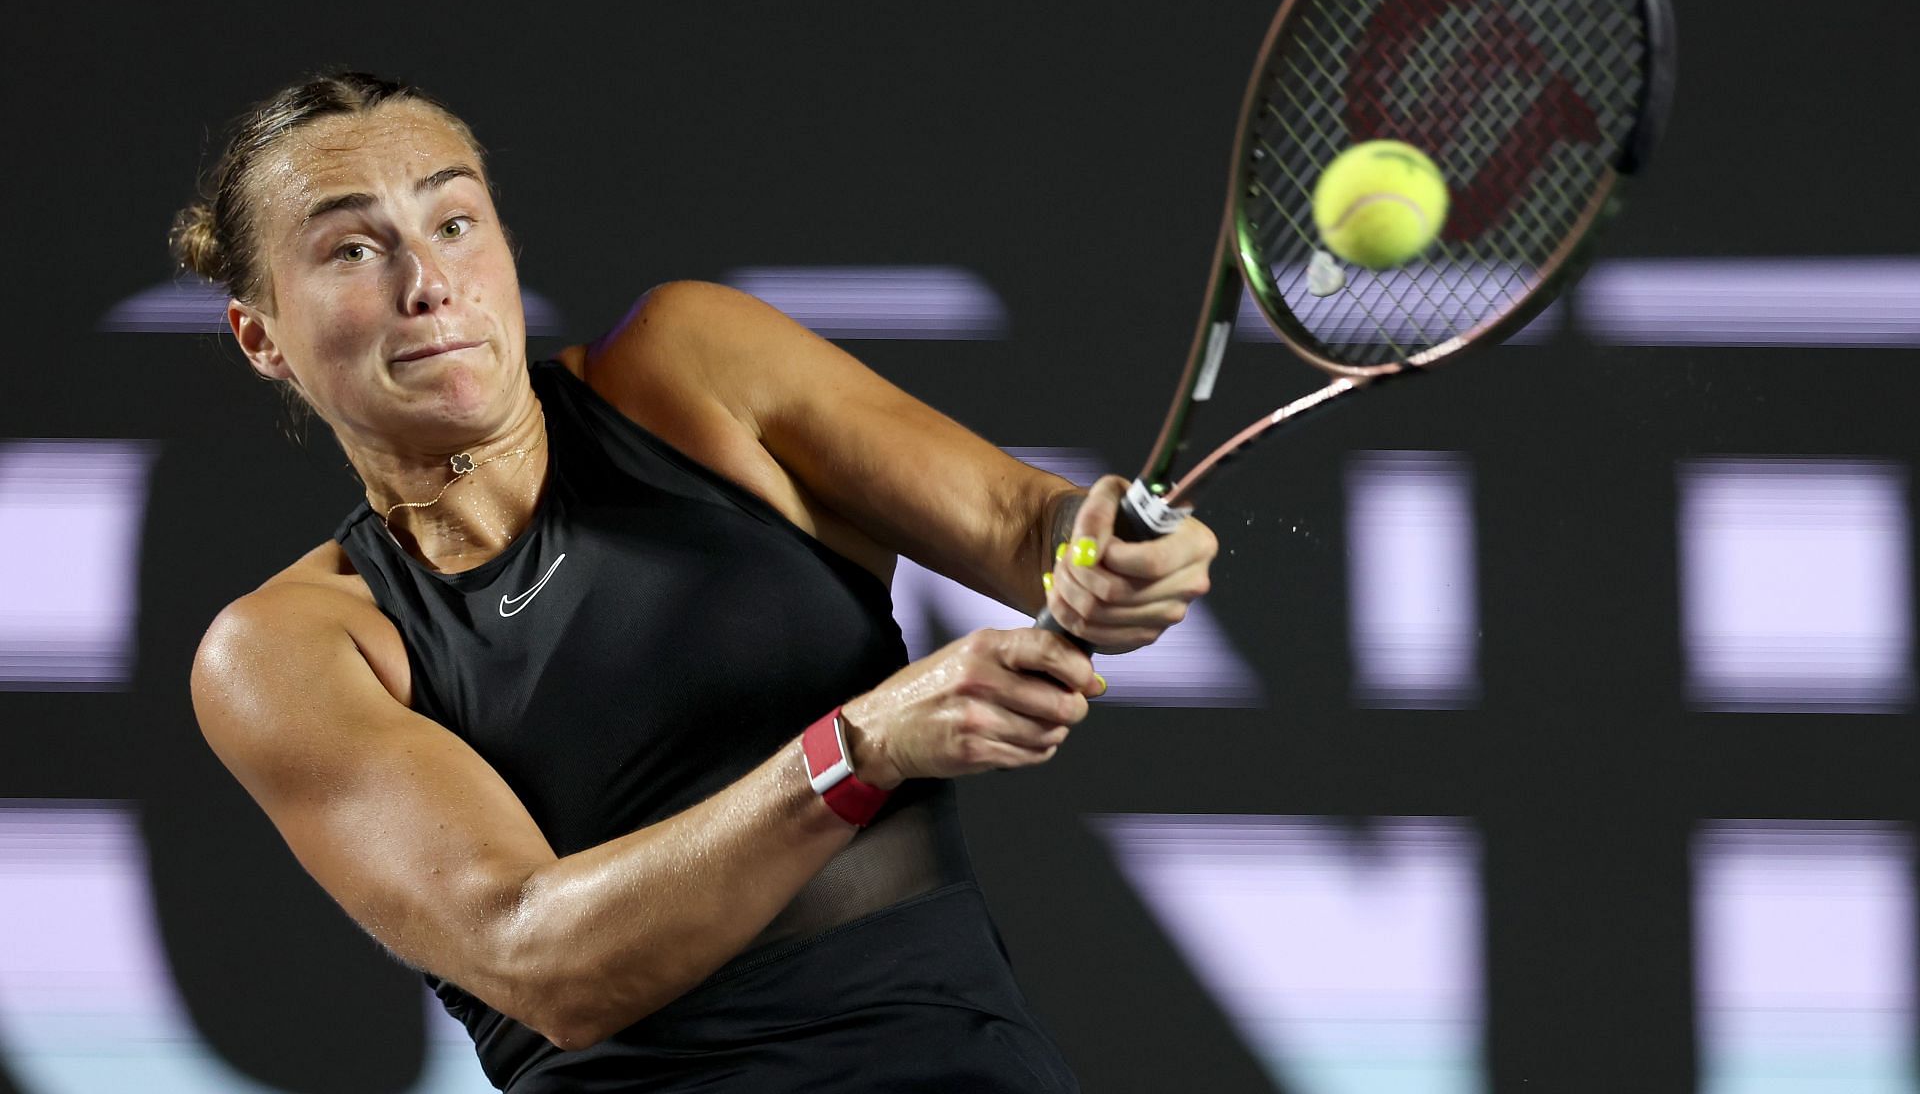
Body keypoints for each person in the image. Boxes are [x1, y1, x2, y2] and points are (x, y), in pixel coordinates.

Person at [177, 71, 1217, 1092]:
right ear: (260, 333)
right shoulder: (287, 648)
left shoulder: (692, 366)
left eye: (454, 222)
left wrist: (1098, 554)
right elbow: (540, 958)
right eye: (353, 248)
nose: (427, 281)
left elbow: (1021, 521)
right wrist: (855, 749)